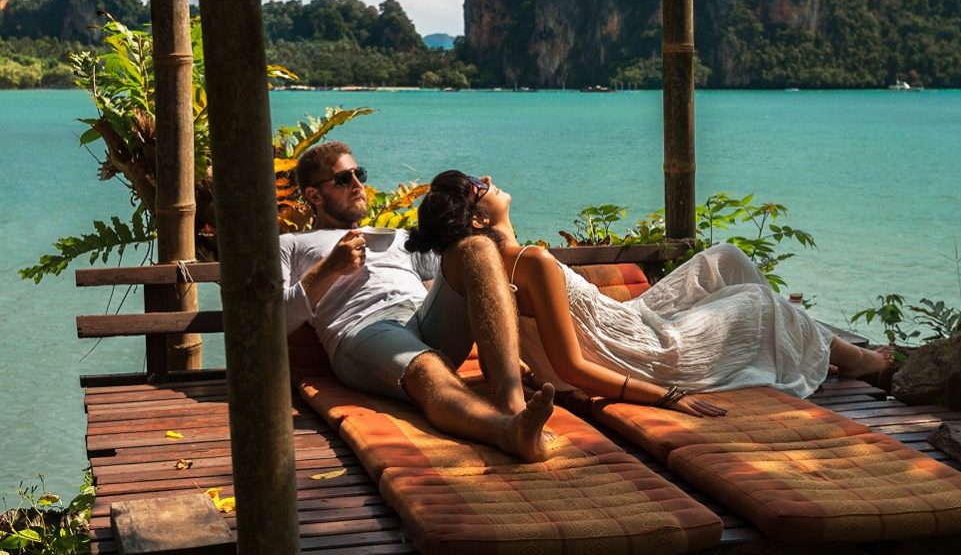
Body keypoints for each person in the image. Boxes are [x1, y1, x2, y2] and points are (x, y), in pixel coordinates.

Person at [406, 170, 893, 417]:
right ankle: (860, 361)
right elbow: (572, 368)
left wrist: (530, 370)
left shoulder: (495, 271)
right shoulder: (529, 262)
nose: (489, 180)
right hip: (638, 350)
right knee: (759, 303)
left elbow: (509, 352)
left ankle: (802, 348)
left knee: (725, 258)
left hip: (627, 320)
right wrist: (667, 396)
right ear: (478, 219)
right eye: (479, 185)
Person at [280, 143, 556, 462]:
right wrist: (329, 268)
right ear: (314, 196)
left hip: (422, 315)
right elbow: (275, 320)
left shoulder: (396, 237)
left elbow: (469, 275)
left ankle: (513, 406)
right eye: (344, 179)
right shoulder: (292, 244)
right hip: (365, 328)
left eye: (360, 174)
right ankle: (507, 432)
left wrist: (475, 201)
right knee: (426, 365)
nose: (357, 184)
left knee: (477, 247)